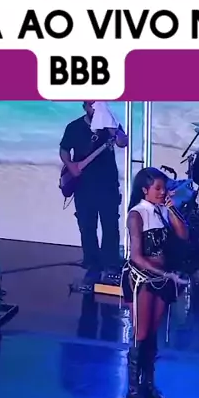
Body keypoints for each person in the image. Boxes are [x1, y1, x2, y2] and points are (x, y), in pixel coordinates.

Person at [122, 168, 189, 398]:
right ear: (144, 190)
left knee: (152, 334)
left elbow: (183, 235)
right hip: (142, 279)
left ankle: (148, 385)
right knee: (140, 334)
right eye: (158, 189)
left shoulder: (161, 211)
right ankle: (133, 390)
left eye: (164, 188)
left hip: (161, 278)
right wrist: (166, 274)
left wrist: (172, 209)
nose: (163, 193)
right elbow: (137, 257)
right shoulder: (136, 214)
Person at [59, 101, 127, 282]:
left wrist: (112, 128)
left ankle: (111, 263)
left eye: (99, 104)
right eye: (91, 105)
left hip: (108, 184)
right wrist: (70, 166)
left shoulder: (110, 124)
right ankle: (92, 264)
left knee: (110, 225)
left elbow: (123, 142)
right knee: (87, 226)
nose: (95, 108)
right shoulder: (74, 127)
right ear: (85, 107)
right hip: (83, 185)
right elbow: (64, 150)